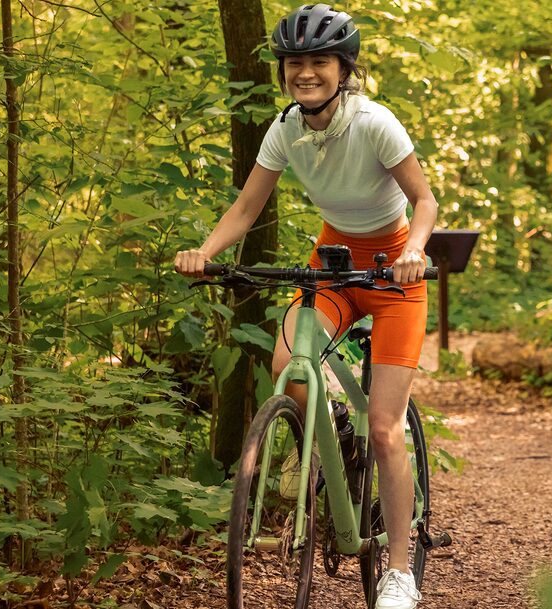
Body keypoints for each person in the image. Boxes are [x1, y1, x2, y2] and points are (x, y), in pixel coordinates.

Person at [174, 5, 435, 608]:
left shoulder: (374, 123)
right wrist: (205, 251)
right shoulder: (285, 128)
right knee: (289, 371)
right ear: (284, 71)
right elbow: (246, 209)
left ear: (344, 69)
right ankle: (332, 429)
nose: (306, 73)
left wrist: (415, 250)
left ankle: (398, 571)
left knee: (386, 429)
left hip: (394, 270)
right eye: (296, 63)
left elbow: (423, 200)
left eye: (320, 61)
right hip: (332, 264)